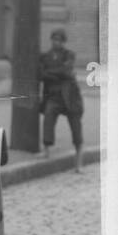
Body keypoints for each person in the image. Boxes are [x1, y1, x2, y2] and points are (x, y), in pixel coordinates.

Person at [38, 28, 84, 171]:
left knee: (76, 128)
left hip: (70, 96)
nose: (56, 42)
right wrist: (59, 74)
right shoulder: (45, 57)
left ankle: (79, 163)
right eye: (54, 39)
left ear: (63, 42)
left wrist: (51, 73)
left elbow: (66, 71)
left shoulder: (69, 54)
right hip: (54, 96)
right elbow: (41, 75)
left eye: (59, 40)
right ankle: (46, 151)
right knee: (48, 118)